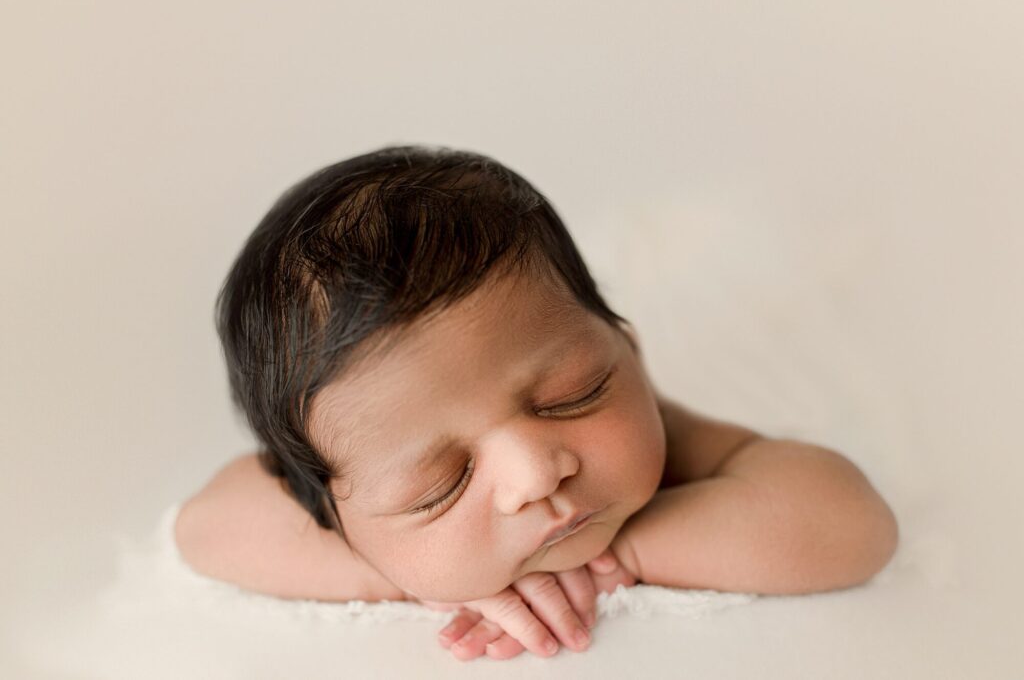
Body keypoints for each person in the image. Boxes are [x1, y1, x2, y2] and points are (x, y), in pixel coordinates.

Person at [174, 144, 899, 662]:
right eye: (440, 484)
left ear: (629, 351)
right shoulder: (348, 518)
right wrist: (396, 570)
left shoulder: (666, 439)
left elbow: (852, 523)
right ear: (335, 511)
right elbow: (205, 525)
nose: (535, 474)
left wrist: (625, 551)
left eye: (570, 396)